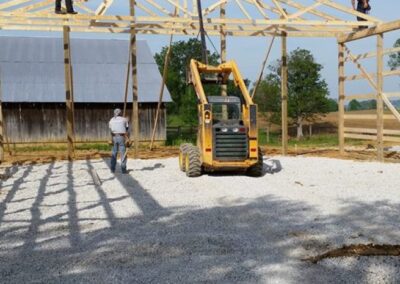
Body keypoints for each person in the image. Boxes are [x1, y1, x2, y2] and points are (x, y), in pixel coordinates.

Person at [109, 108, 129, 174]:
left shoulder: (111, 119)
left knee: (114, 153)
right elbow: (127, 129)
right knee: (123, 153)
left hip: (114, 137)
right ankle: (123, 170)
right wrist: (128, 138)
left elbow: (111, 129)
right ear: (120, 113)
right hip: (121, 136)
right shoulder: (124, 119)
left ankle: (112, 169)